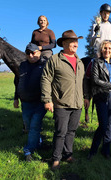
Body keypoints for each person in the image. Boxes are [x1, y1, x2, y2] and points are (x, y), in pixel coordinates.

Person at [41, 30, 84, 170]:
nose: (75, 44)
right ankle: (56, 158)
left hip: (77, 103)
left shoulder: (80, 61)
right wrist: (47, 99)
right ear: (64, 43)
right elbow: (46, 79)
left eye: (76, 41)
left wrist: (86, 98)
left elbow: (83, 82)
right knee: (60, 132)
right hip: (61, 104)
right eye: (72, 41)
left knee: (71, 131)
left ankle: (68, 154)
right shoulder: (55, 59)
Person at [15, 43, 47, 161]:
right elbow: (18, 81)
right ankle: (38, 141)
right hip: (25, 102)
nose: (31, 55)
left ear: (39, 53)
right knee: (29, 126)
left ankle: (28, 150)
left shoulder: (45, 64)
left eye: (33, 52)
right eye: (28, 53)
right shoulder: (22, 65)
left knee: (34, 125)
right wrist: (15, 98)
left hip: (39, 101)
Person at [87, 40, 111, 160]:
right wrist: (110, 85)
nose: (107, 50)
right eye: (105, 48)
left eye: (109, 49)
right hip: (101, 96)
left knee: (109, 125)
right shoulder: (97, 62)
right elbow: (94, 80)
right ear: (101, 49)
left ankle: (106, 150)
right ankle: (93, 150)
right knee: (103, 124)